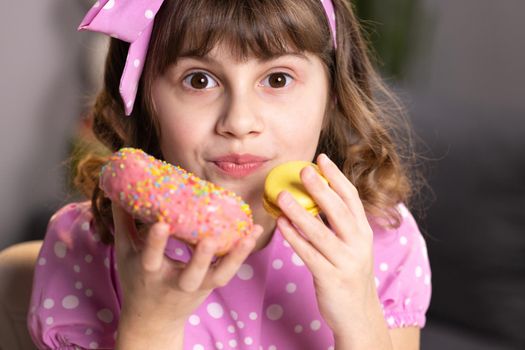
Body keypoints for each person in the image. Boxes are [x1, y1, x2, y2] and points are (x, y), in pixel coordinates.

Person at [27, 0, 431, 349]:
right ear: (145, 100)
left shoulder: (381, 240)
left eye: (277, 79)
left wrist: (360, 315)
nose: (239, 121)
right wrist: (149, 327)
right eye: (199, 80)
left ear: (332, 96)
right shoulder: (85, 249)